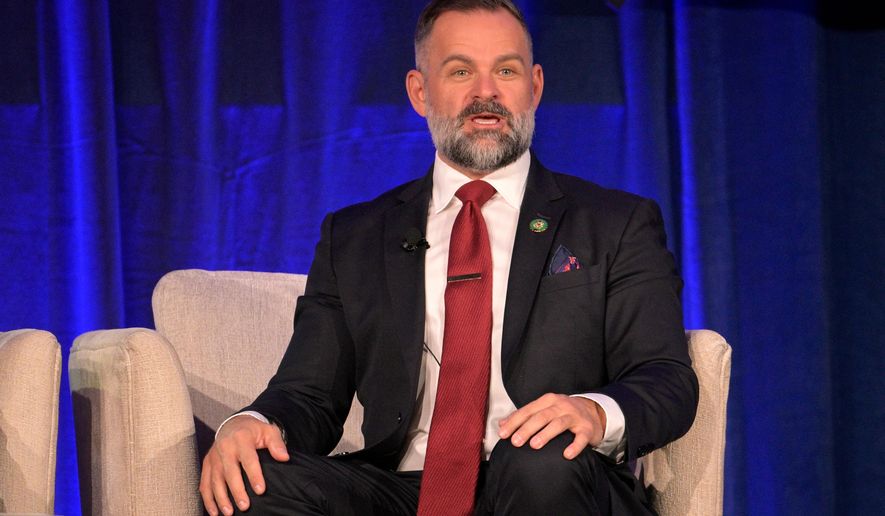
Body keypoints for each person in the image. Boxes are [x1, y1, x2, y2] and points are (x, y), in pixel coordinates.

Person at [200, 1, 698, 514]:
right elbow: (310, 396)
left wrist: (592, 412)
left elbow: (664, 377)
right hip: (403, 487)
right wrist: (250, 425)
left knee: (538, 458)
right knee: (253, 483)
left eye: (506, 70)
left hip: (553, 480)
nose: (487, 92)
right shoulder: (356, 236)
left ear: (536, 86)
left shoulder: (615, 222)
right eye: (461, 71)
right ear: (420, 91)